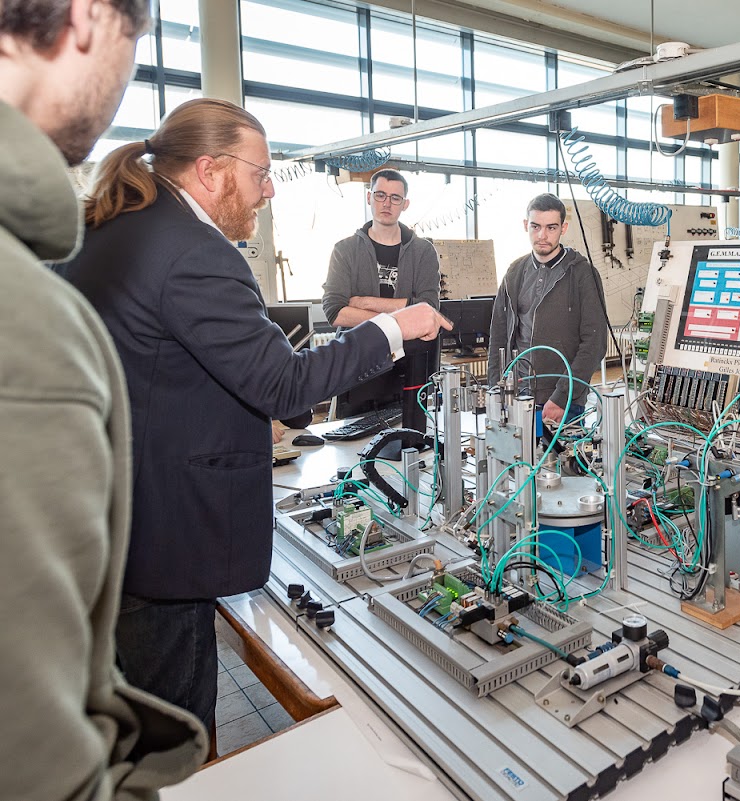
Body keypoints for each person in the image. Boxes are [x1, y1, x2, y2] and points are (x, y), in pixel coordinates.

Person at [55, 98, 450, 736]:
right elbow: (282, 382)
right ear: (210, 171)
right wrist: (394, 326)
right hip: (164, 540)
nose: (269, 190)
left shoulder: (118, 227)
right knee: (177, 735)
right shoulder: (194, 250)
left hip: (107, 521)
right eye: (260, 174)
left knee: (131, 719)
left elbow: (160, 371)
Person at [0, 0, 206, 796]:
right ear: (89, 19)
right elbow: (41, 760)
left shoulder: (65, 252)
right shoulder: (26, 323)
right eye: (138, 37)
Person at [323, 169, 441, 433]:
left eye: (395, 198)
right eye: (380, 195)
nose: (386, 203)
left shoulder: (423, 252)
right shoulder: (345, 250)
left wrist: (363, 302)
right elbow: (335, 311)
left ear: (405, 204)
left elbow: (429, 308)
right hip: (357, 367)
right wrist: (402, 314)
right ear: (369, 197)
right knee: (353, 447)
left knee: (409, 446)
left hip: (407, 369)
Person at [488, 193, 606, 425]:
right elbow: (498, 335)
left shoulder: (583, 274)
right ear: (526, 225)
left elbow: (595, 343)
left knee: (562, 450)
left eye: (551, 228)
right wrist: (495, 388)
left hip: (564, 400)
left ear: (563, 228)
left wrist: (562, 397)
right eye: (536, 226)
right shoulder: (515, 272)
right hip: (517, 394)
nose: (542, 235)